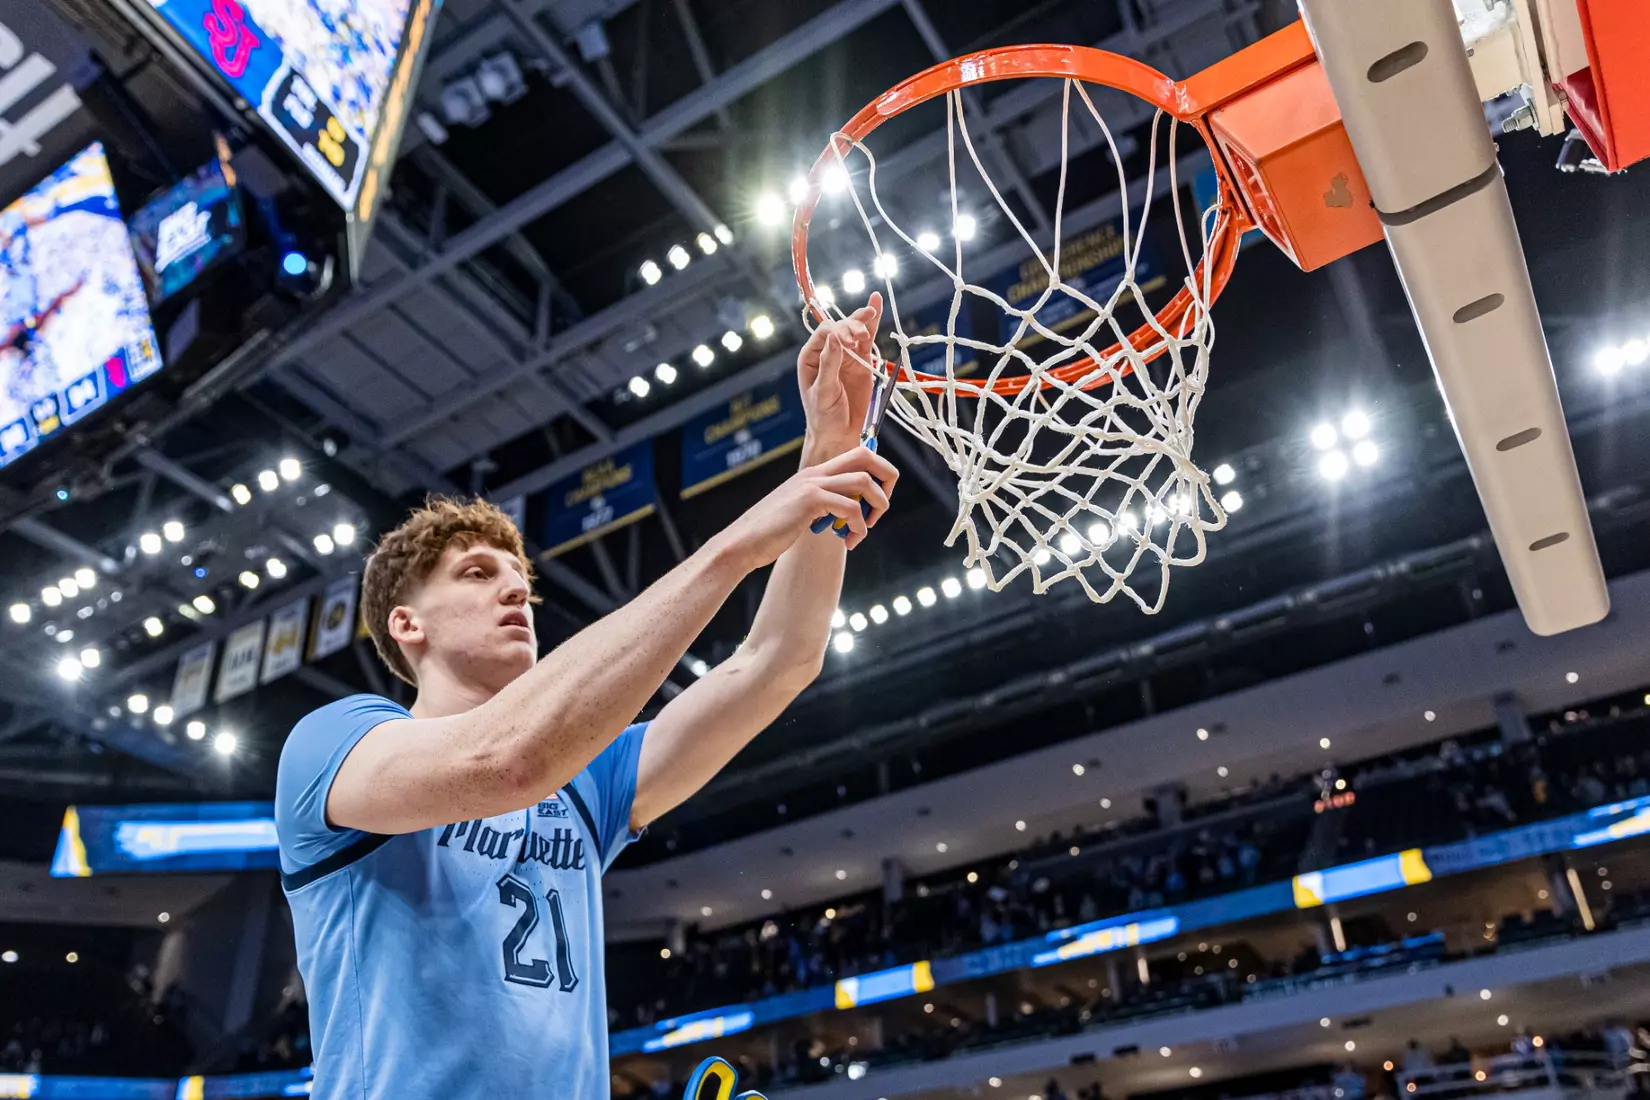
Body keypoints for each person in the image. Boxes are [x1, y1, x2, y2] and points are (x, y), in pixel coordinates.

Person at [274, 299, 899, 1100]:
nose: (515, 594)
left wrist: (825, 463)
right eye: (476, 574)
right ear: (406, 625)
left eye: (521, 583)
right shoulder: (336, 747)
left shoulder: (586, 781)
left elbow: (777, 662)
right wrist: (738, 542)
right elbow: (506, 761)